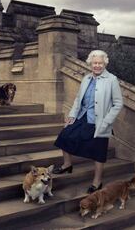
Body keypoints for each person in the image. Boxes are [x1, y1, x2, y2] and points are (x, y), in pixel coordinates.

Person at [53, 50, 123, 194]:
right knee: (64, 136)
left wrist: (107, 121)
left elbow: (118, 103)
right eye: (94, 63)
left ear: (105, 64)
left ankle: (97, 181)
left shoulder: (111, 79)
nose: (97, 66)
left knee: (98, 151)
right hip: (83, 116)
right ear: (90, 63)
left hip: (100, 121)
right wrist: (72, 115)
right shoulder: (86, 78)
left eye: (100, 63)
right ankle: (67, 165)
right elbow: (78, 99)